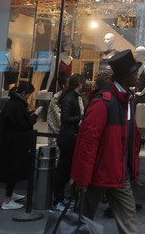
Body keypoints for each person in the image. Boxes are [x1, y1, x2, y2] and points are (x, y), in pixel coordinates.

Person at [71, 50, 141, 234]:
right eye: (134, 72)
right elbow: (88, 141)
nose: (137, 76)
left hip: (118, 173)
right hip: (98, 174)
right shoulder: (103, 101)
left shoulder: (127, 100)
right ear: (126, 77)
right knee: (82, 220)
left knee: (129, 220)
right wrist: (83, 178)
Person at [0, 81, 42, 210]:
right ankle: (7, 200)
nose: (29, 97)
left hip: (11, 144)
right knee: (12, 169)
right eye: (29, 94)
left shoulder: (14, 103)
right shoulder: (16, 105)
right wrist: (35, 115)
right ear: (23, 93)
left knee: (12, 170)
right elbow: (24, 124)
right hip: (13, 145)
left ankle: (10, 194)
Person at [51, 74, 85, 211]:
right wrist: (82, 117)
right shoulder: (70, 97)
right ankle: (57, 199)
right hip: (68, 138)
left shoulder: (73, 97)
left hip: (70, 137)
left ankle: (61, 197)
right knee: (63, 170)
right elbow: (65, 118)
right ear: (80, 83)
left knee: (66, 169)